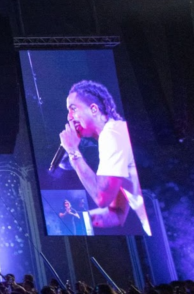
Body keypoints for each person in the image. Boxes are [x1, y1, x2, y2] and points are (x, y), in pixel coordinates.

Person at [58, 80, 150, 235]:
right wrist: (77, 220)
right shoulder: (112, 135)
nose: (69, 117)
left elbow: (102, 199)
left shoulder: (112, 135)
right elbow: (118, 213)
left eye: (73, 109)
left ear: (93, 109)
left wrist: (73, 152)